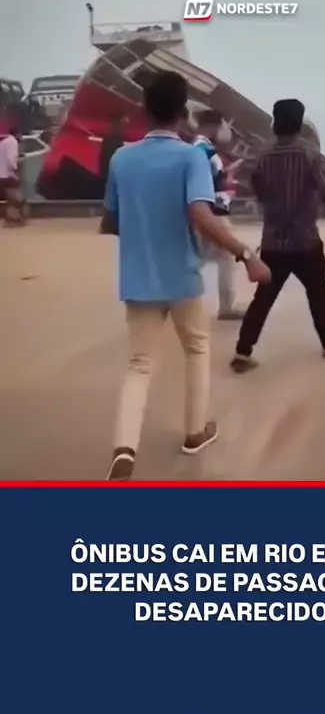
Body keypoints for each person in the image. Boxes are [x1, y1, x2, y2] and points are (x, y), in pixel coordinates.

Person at [102, 71, 270, 481]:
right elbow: (200, 213)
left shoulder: (121, 159)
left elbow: (112, 220)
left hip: (139, 277)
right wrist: (245, 254)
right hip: (181, 274)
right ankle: (195, 432)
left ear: (145, 109)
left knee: (140, 364)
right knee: (196, 348)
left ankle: (124, 449)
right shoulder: (190, 157)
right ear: (183, 113)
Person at [230, 98, 325, 374]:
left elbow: (259, 191)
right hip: (305, 240)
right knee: (317, 292)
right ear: (299, 123)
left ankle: (243, 350)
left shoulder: (262, 156)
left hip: (273, 241)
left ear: (275, 124)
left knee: (263, 297)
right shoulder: (309, 154)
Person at [194, 109, 245, 320]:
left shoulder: (198, 148)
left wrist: (227, 172)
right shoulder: (206, 151)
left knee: (201, 257)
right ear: (214, 126)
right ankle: (226, 307)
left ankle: (169, 299)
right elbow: (212, 183)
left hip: (205, 210)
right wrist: (229, 175)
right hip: (214, 211)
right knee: (224, 257)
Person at [0, 127, 26, 226]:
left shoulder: (4, 142)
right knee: (18, 199)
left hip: (2, 174)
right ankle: (16, 219)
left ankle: (11, 218)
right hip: (7, 175)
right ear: (17, 134)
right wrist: (15, 169)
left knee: (11, 199)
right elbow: (10, 159)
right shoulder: (13, 142)